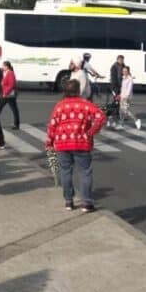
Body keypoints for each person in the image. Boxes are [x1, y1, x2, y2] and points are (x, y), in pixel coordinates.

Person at [45, 78, 107, 213]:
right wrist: (91, 132)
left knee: (65, 171)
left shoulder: (59, 106)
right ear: (78, 90)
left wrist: (49, 142)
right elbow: (101, 117)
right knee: (85, 172)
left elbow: (52, 125)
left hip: (62, 143)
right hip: (82, 142)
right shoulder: (85, 104)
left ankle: (68, 201)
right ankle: (86, 203)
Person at [0, 61, 20, 130]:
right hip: (5, 94)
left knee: (14, 109)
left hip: (9, 95)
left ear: (7, 66)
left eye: (3, 66)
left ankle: (16, 124)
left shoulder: (10, 73)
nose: (2, 67)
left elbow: (11, 85)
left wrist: (5, 93)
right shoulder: (5, 72)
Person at [118, 65, 141, 130]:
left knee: (125, 110)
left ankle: (136, 120)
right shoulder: (124, 78)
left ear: (128, 72)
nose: (124, 72)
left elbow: (129, 89)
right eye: (123, 71)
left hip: (127, 97)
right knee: (121, 111)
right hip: (122, 96)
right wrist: (120, 95)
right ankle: (121, 124)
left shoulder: (130, 79)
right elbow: (123, 88)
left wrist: (126, 97)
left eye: (125, 71)